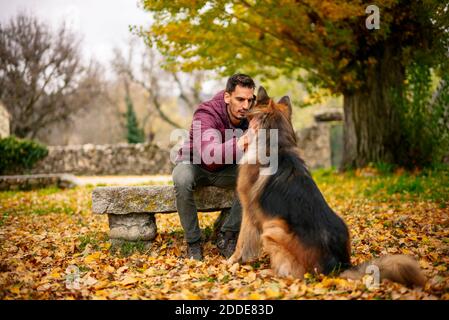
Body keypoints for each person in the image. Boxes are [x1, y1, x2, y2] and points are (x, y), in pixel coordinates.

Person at [172, 73, 256, 261]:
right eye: (240, 99)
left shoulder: (251, 115)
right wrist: (242, 143)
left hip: (226, 169)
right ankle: (193, 243)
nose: (245, 106)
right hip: (195, 163)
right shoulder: (206, 113)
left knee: (258, 177)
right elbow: (210, 157)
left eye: (249, 100)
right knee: (181, 178)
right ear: (227, 97)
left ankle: (227, 236)